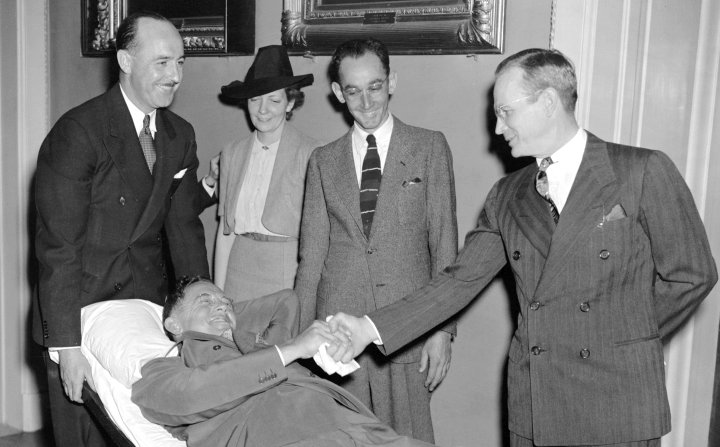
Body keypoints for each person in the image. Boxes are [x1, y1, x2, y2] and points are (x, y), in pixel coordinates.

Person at [327, 48, 718, 447]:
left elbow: (692, 275)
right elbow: (457, 282)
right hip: (536, 405)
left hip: (616, 404)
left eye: (506, 112)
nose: (498, 128)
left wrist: (623, 340)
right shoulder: (508, 195)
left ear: (547, 102)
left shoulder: (640, 171)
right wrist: (368, 328)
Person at [33, 11, 209, 446]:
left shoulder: (180, 135)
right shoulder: (79, 131)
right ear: (126, 61)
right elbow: (59, 247)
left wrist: (200, 319)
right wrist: (68, 349)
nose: (175, 76)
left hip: (144, 318)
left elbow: (185, 233)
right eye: (162, 62)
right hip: (79, 316)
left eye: (180, 62)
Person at [294, 38, 458, 443]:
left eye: (375, 87)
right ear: (338, 93)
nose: (366, 102)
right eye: (353, 91)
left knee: (409, 437)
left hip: (407, 326)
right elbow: (311, 258)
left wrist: (443, 331)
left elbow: (444, 245)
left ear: (391, 82)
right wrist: (300, 339)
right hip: (337, 336)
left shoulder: (428, 147)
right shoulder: (323, 161)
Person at [131, 277, 436, 447]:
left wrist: (230, 319)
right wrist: (291, 349)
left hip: (355, 429)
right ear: (173, 324)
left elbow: (285, 300)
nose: (221, 306)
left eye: (226, 302)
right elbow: (188, 397)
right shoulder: (169, 367)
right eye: (205, 301)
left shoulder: (257, 345)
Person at [198, 45, 319, 301]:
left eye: (274, 100)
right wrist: (219, 294)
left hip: (287, 276)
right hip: (237, 274)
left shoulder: (311, 153)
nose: (263, 110)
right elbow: (226, 233)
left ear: (290, 102)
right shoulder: (232, 153)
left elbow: (318, 239)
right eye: (255, 99)